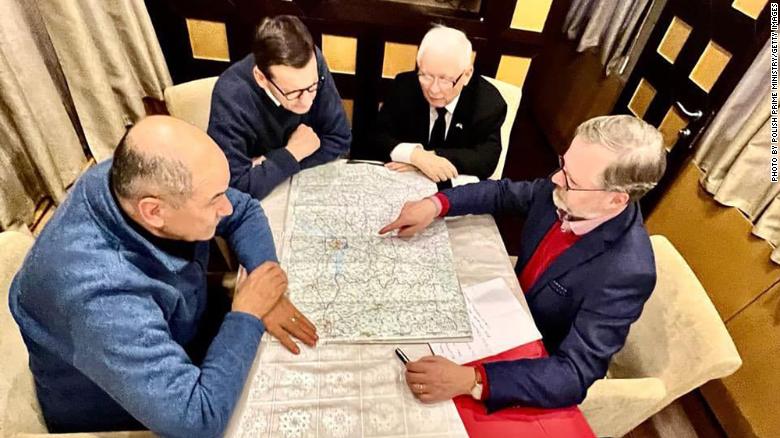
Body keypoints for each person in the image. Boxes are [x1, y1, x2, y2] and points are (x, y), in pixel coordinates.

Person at [9, 116, 317, 436]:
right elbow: (196, 422)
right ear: (154, 212)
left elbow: (245, 210)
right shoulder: (100, 298)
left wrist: (264, 279)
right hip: (120, 417)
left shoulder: (128, 178)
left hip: (179, 336)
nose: (226, 207)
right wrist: (247, 313)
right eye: (214, 200)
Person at [379, 115, 666, 411]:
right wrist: (436, 204)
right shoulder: (567, 190)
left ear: (615, 201)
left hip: (529, 361)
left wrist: (473, 379)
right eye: (563, 165)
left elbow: (574, 373)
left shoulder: (627, 270)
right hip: (504, 311)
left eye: (572, 181)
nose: (556, 179)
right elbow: (503, 193)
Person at [208, 15, 351, 200]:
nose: (307, 101)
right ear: (261, 78)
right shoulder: (231, 95)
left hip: (299, 186)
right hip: (263, 202)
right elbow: (234, 187)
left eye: (313, 87)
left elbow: (340, 139)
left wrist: (269, 166)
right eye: (293, 93)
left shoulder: (314, 62)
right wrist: (292, 153)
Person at [372, 25, 507, 183]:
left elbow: (486, 160)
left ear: (467, 75)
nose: (433, 90)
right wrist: (414, 155)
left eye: (445, 79)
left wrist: (431, 158)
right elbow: (376, 135)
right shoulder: (404, 86)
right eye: (426, 75)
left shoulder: (489, 104)